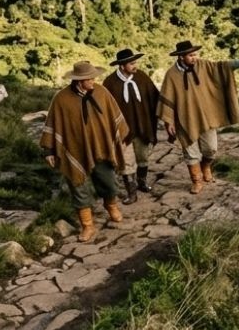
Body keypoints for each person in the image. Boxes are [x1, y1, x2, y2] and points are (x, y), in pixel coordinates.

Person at [40, 60, 128, 242]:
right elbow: (52, 124)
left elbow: (114, 115)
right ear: (79, 80)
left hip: (101, 147)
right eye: (90, 79)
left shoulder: (102, 92)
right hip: (74, 149)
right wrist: (49, 150)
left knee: (109, 181)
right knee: (78, 187)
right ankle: (87, 225)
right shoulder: (61, 99)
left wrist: (121, 138)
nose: (94, 81)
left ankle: (111, 206)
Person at [157, 40, 239, 194]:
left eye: (195, 54)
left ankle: (206, 167)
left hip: (205, 117)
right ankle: (196, 181)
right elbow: (167, 98)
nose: (194, 57)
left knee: (211, 149)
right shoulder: (171, 75)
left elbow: (221, 67)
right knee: (191, 153)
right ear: (181, 57)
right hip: (184, 120)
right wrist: (168, 121)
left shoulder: (203, 66)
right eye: (191, 55)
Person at [102, 48, 159, 204]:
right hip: (122, 131)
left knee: (143, 157)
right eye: (132, 63)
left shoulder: (141, 77)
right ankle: (131, 193)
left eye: (135, 62)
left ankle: (142, 182)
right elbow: (104, 108)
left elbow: (155, 97)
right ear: (122, 66)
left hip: (143, 127)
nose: (135, 66)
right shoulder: (110, 83)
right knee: (126, 162)